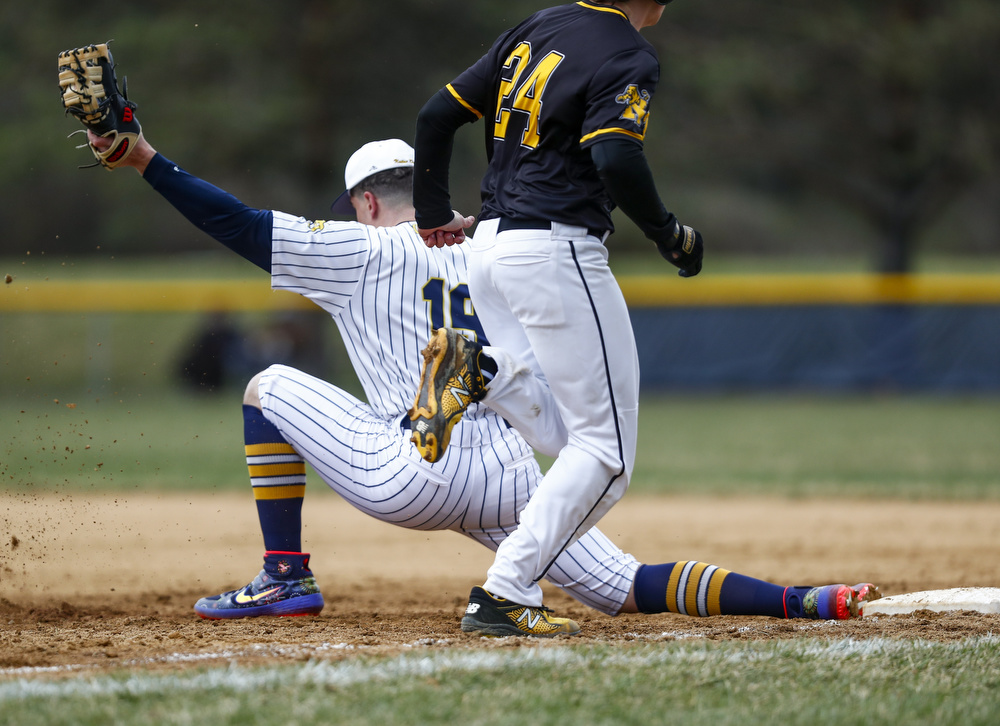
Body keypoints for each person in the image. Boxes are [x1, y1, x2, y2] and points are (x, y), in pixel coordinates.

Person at [86, 122, 880, 636]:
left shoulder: (355, 248)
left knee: (265, 384)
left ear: (366, 202)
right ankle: (802, 600)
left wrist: (146, 159)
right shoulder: (494, 241)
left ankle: (284, 575)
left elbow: (237, 222)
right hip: (508, 477)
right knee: (618, 582)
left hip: (410, 473)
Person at [408, 0, 709, 633]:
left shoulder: (539, 25)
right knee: (609, 455)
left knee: (573, 441)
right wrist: (668, 234)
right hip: (553, 249)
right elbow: (617, 159)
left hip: (486, 250)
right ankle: (507, 589)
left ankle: (482, 371)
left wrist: (434, 213)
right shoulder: (628, 51)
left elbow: (437, 116)